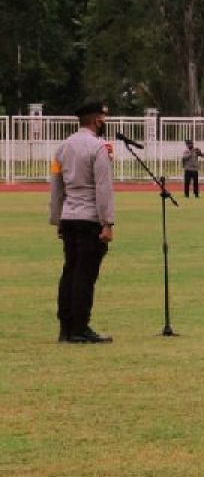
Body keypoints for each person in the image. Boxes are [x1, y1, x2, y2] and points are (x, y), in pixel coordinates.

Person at [49, 102, 115, 344]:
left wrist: (58, 219)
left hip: (69, 217)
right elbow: (103, 187)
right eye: (104, 119)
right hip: (89, 219)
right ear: (97, 120)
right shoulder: (99, 148)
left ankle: (65, 328)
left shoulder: (63, 147)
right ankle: (80, 327)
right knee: (85, 275)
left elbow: (56, 186)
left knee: (69, 271)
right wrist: (108, 222)